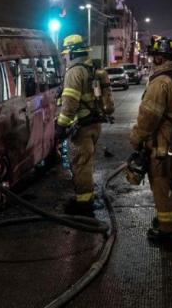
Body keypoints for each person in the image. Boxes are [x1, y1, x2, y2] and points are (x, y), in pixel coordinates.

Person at [129, 36, 172, 243]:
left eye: (154, 56)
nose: (152, 60)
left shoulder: (160, 83)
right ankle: (168, 222)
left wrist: (136, 139)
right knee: (171, 185)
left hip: (164, 147)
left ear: (159, 58)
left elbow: (148, 117)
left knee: (162, 187)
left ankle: (169, 233)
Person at [55, 34, 115, 216]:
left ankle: (83, 204)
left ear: (72, 54)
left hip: (80, 127)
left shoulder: (74, 72)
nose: (65, 57)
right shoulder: (95, 69)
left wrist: (60, 126)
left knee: (80, 164)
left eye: (66, 54)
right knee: (87, 161)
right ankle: (86, 198)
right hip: (95, 124)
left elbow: (70, 104)